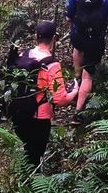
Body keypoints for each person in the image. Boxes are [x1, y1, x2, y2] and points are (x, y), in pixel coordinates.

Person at [7, 21, 75, 166]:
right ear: (53, 38)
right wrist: (75, 90)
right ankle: (31, 186)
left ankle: (23, 182)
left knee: (26, 153)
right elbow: (60, 99)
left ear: (36, 37)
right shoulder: (52, 64)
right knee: (34, 158)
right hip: (39, 118)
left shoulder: (24, 55)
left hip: (19, 113)